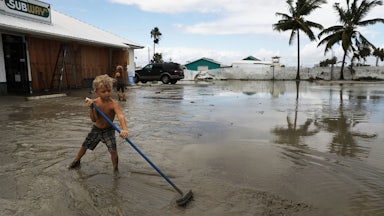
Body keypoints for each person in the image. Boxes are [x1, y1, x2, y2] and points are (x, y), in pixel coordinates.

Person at [68, 74, 128, 174]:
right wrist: (91, 108)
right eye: (103, 91)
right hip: (96, 129)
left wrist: (124, 129)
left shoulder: (113, 104)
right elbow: (94, 119)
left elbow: (120, 116)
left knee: (113, 150)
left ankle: (115, 169)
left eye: (109, 91)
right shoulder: (94, 103)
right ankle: (76, 161)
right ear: (96, 92)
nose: (107, 93)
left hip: (108, 130)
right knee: (84, 146)